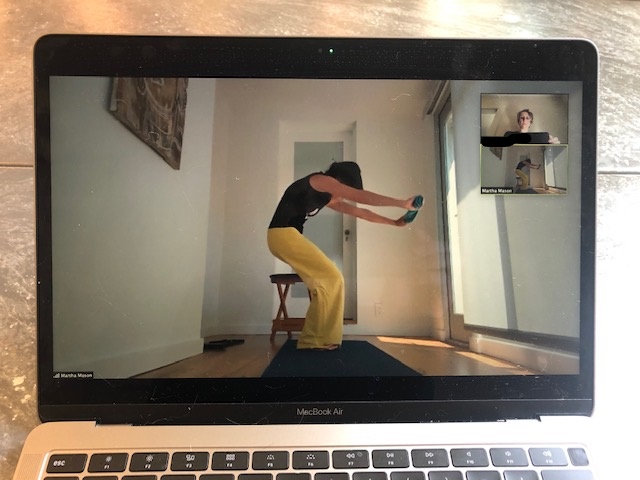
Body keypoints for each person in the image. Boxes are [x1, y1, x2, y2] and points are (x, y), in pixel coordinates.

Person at [267, 161, 422, 350]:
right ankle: (314, 340)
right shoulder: (321, 180)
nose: (342, 195)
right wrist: (402, 203)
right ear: (340, 180)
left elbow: (362, 212)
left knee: (329, 281)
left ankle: (318, 339)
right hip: (282, 235)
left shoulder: (327, 196)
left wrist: (394, 222)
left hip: (285, 237)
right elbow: (361, 197)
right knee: (331, 278)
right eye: (345, 189)